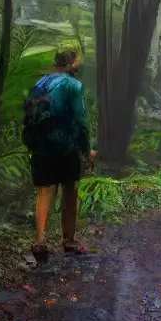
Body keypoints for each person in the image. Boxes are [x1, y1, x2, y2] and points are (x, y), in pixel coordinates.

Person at [27, 45, 94, 262]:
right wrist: (86, 148)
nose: (80, 63)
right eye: (78, 60)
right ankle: (69, 240)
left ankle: (40, 240)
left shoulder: (40, 84)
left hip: (41, 146)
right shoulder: (74, 85)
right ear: (71, 61)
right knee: (69, 191)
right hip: (67, 146)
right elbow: (81, 119)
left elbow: (30, 114)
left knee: (45, 192)